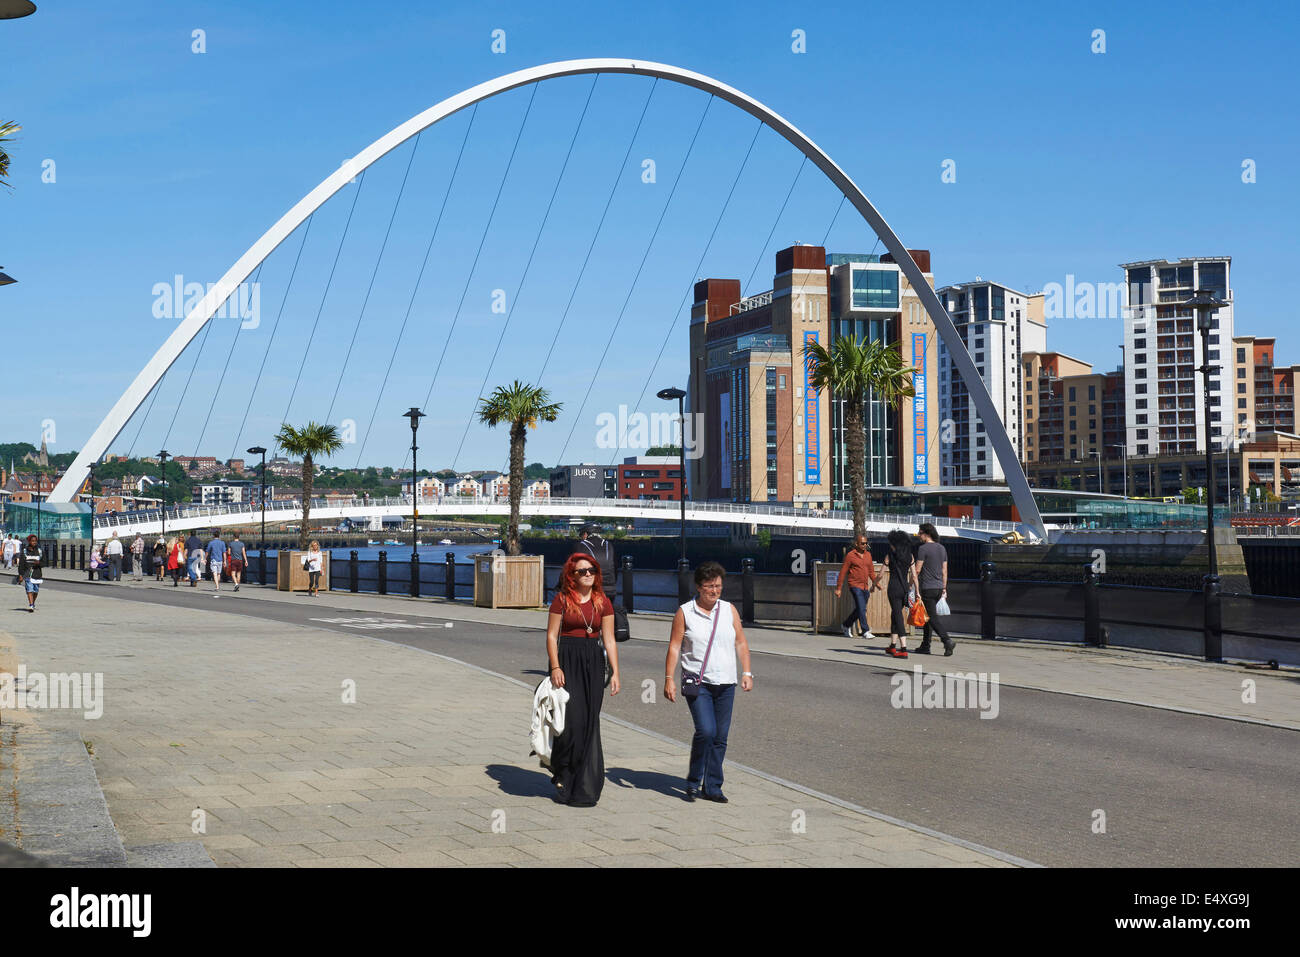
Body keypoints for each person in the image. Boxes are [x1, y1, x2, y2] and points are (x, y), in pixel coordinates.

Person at [665, 561, 753, 803]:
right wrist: (668, 679)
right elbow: (674, 647)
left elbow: (741, 642)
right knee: (706, 731)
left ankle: (713, 786)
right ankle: (694, 780)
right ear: (698, 587)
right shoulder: (685, 612)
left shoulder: (729, 610)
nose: (715, 591)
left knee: (720, 737)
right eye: (710, 586)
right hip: (698, 681)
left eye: (718, 586)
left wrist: (747, 672)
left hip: (726, 681)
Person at [545, 553, 619, 806]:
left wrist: (616, 671)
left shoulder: (603, 602)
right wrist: (555, 666)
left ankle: (585, 786)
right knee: (571, 724)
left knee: (590, 723)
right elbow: (552, 636)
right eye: (581, 571)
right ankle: (563, 771)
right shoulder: (562, 600)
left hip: (593, 662)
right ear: (572, 576)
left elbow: (609, 639)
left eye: (591, 570)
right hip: (567, 660)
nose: (588, 574)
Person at [914, 522, 955, 656]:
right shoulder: (942, 548)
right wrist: (944, 588)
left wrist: (911, 584)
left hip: (927, 587)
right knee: (928, 617)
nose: (919, 536)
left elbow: (917, 570)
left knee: (931, 618)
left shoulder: (923, 549)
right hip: (938, 588)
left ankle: (946, 640)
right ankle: (925, 645)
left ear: (926, 534)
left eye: (920, 533)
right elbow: (945, 571)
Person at [879, 528, 916, 658]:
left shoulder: (890, 555)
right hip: (905, 588)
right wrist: (917, 592)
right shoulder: (910, 556)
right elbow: (915, 575)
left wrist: (874, 584)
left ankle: (904, 648)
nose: (890, 545)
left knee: (898, 616)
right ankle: (893, 646)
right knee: (895, 615)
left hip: (893, 589)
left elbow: (881, 573)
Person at [835, 533, 876, 641]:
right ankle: (865, 631)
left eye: (866, 543)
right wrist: (839, 588)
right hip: (854, 585)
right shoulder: (850, 555)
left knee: (860, 609)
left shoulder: (868, 555)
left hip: (865, 586)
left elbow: (871, 571)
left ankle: (846, 625)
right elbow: (843, 572)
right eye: (862, 543)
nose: (865, 545)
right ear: (856, 544)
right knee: (862, 608)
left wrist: (876, 583)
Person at [575, 524, 617, 590]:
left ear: (585, 534)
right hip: (610, 588)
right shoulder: (608, 545)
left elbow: (572, 566)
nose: (581, 538)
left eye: (581, 535)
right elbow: (614, 566)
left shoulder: (582, 545)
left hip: (593, 588)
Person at [17, 534, 43, 612]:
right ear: (29, 541)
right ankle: (31, 605)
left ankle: (33, 603)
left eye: (35, 541)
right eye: (32, 541)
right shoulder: (24, 551)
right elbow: (21, 564)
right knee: (29, 589)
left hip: (37, 574)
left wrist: (39, 563)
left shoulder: (39, 551)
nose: (34, 542)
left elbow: (45, 562)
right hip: (27, 574)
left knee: (36, 591)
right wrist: (20, 575)